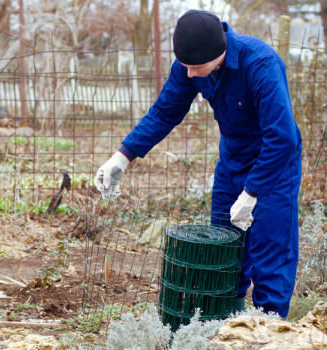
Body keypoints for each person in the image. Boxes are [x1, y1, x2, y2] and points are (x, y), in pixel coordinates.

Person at [94, 9, 302, 319]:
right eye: (185, 66)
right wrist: (122, 156)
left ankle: (268, 331)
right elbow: (165, 112)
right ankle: (223, 327)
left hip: (274, 166)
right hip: (232, 163)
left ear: (219, 55)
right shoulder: (190, 65)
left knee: (270, 253)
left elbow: (282, 137)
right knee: (223, 252)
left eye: (195, 67)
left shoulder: (260, 64)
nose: (189, 74)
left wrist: (253, 192)